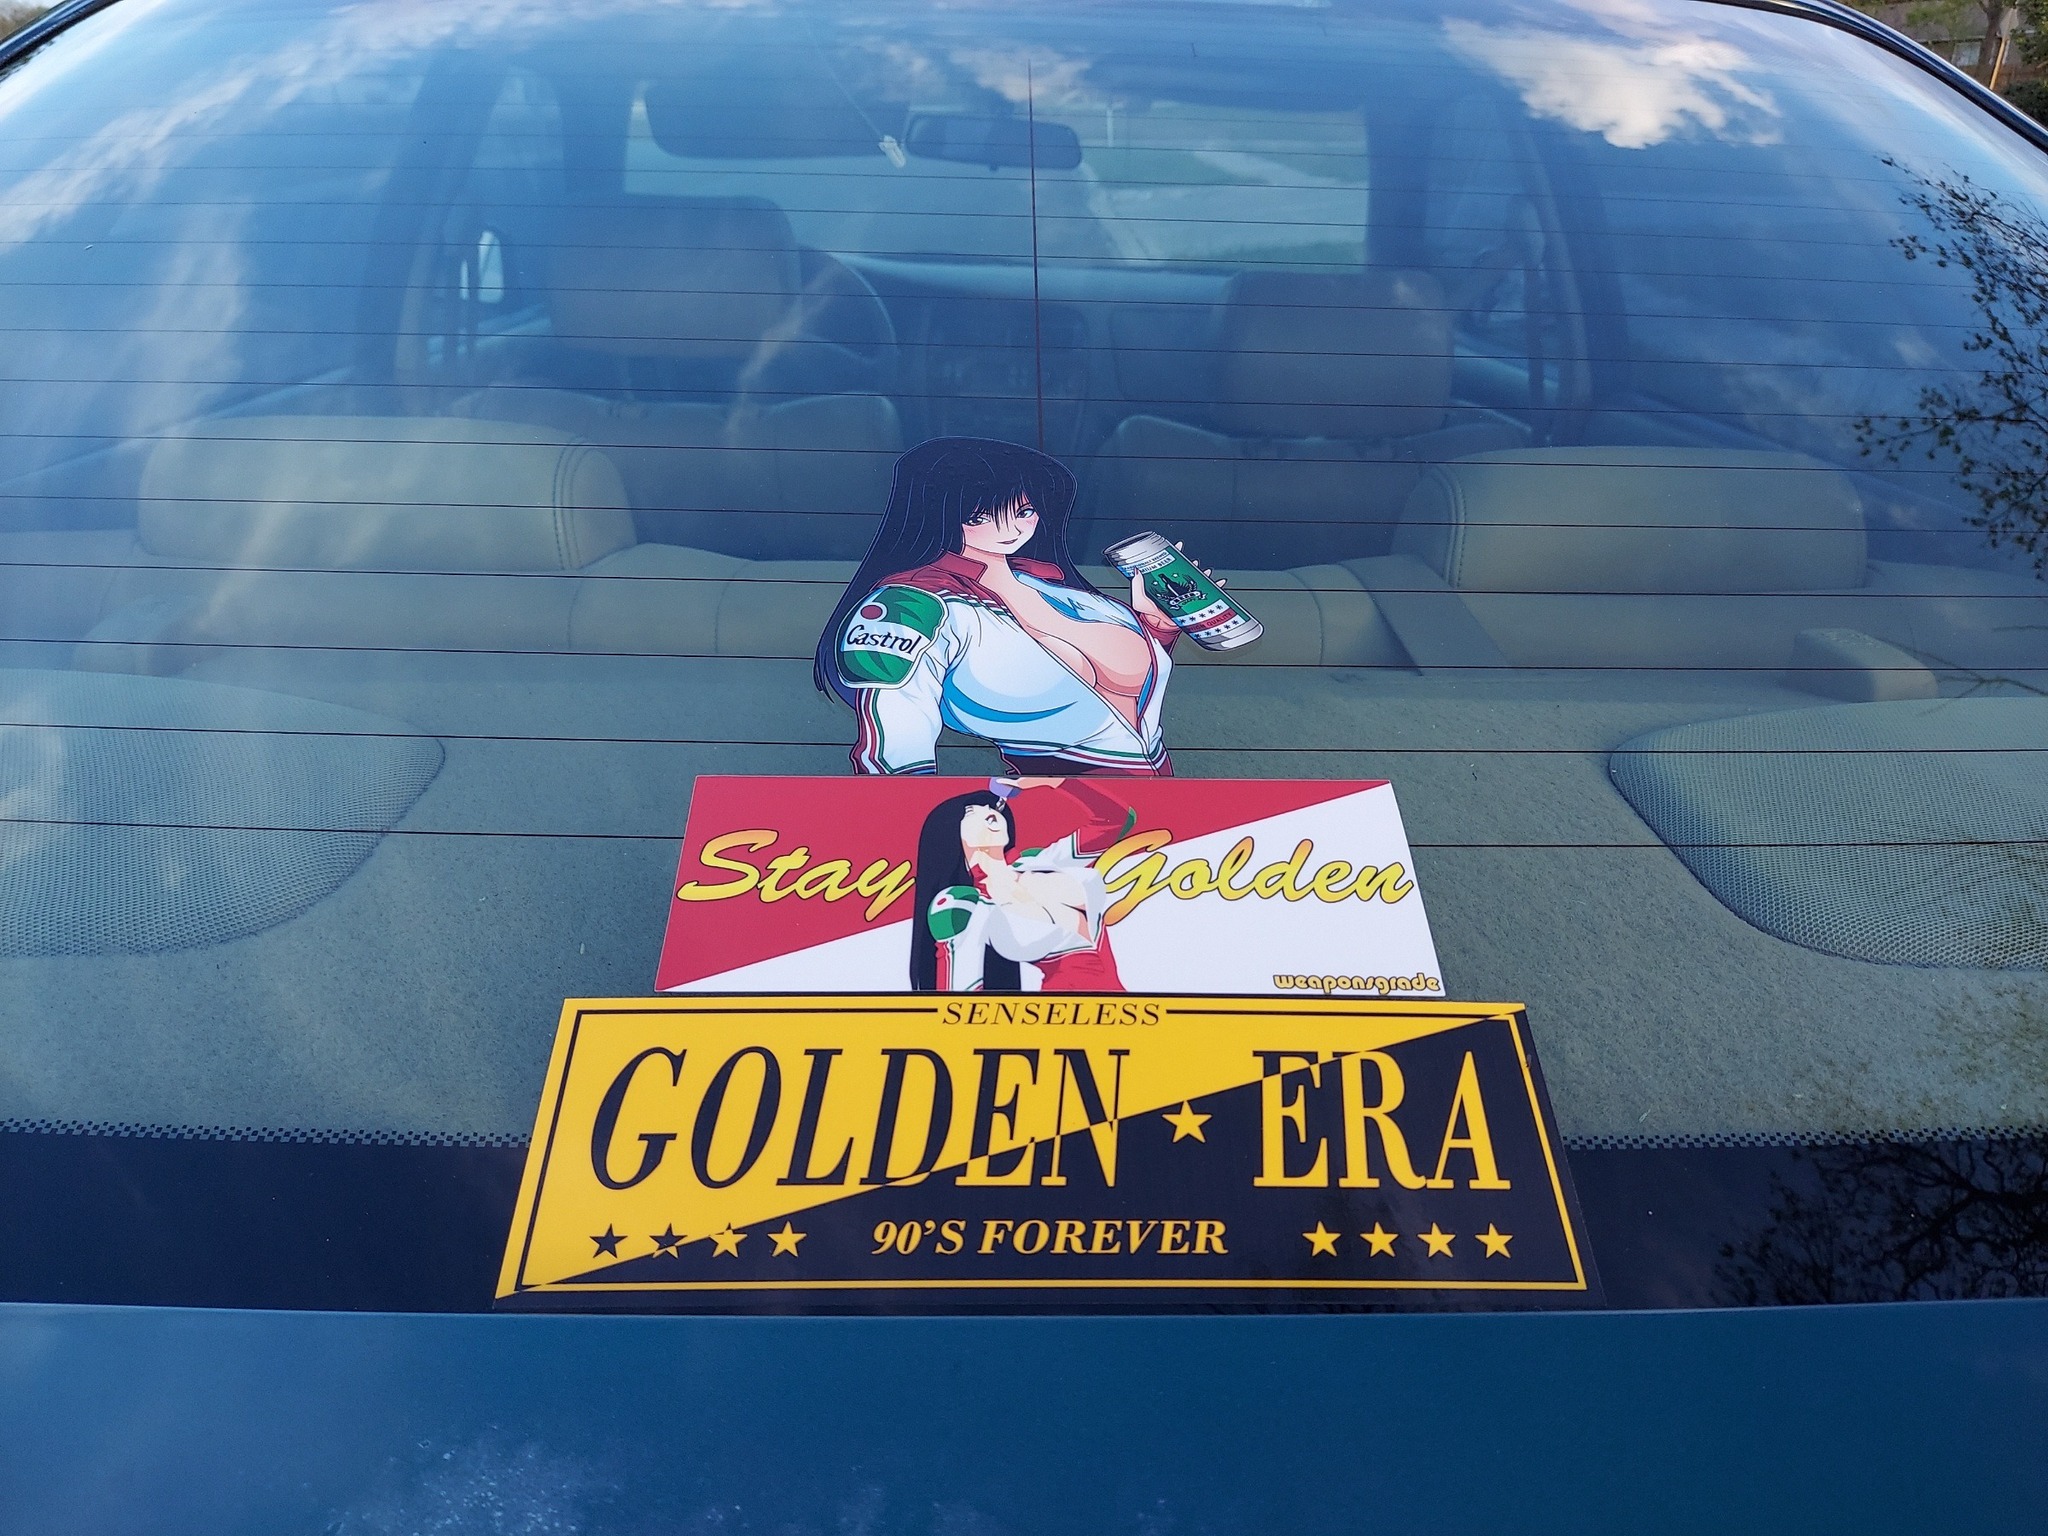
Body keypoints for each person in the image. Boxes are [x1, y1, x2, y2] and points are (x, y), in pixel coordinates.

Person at [814, 437, 1192, 776]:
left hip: (1173, 808)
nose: (1009, 529)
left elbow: (1131, 694)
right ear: (936, 514)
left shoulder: (1063, 589)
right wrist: (917, 820)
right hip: (1040, 817)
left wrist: (1156, 627)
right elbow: (897, 744)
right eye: (979, 517)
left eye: (1024, 511)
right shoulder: (911, 607)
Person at [910, 778, 1134, 993]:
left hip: (1127, 1010)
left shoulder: (1042, 862)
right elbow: (958, 998)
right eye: (971, 811)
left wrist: (1053, 780)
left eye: (990, 807)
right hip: (1062, 1014)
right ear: (949, 833)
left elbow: (1115, 819)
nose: (988, 811)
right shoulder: (965, 904)